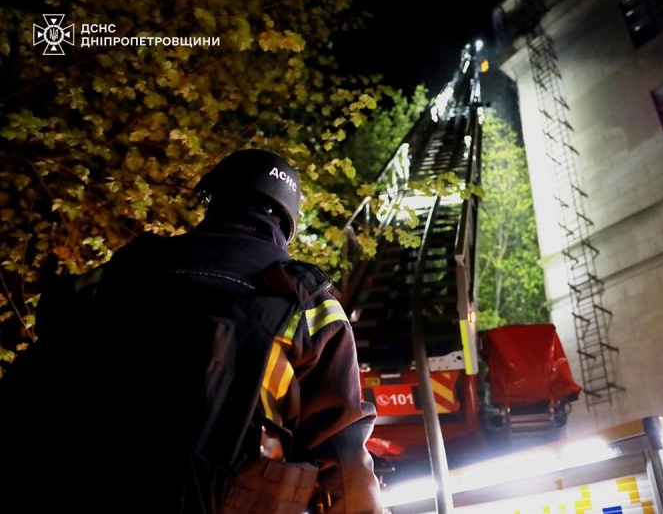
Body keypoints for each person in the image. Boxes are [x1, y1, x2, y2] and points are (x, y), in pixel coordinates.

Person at [0, 149, 383, 514]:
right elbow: (341, 449)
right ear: (286, 222)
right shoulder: (308, 302)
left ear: (213, 202)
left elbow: (48, 338)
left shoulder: (126, 270)